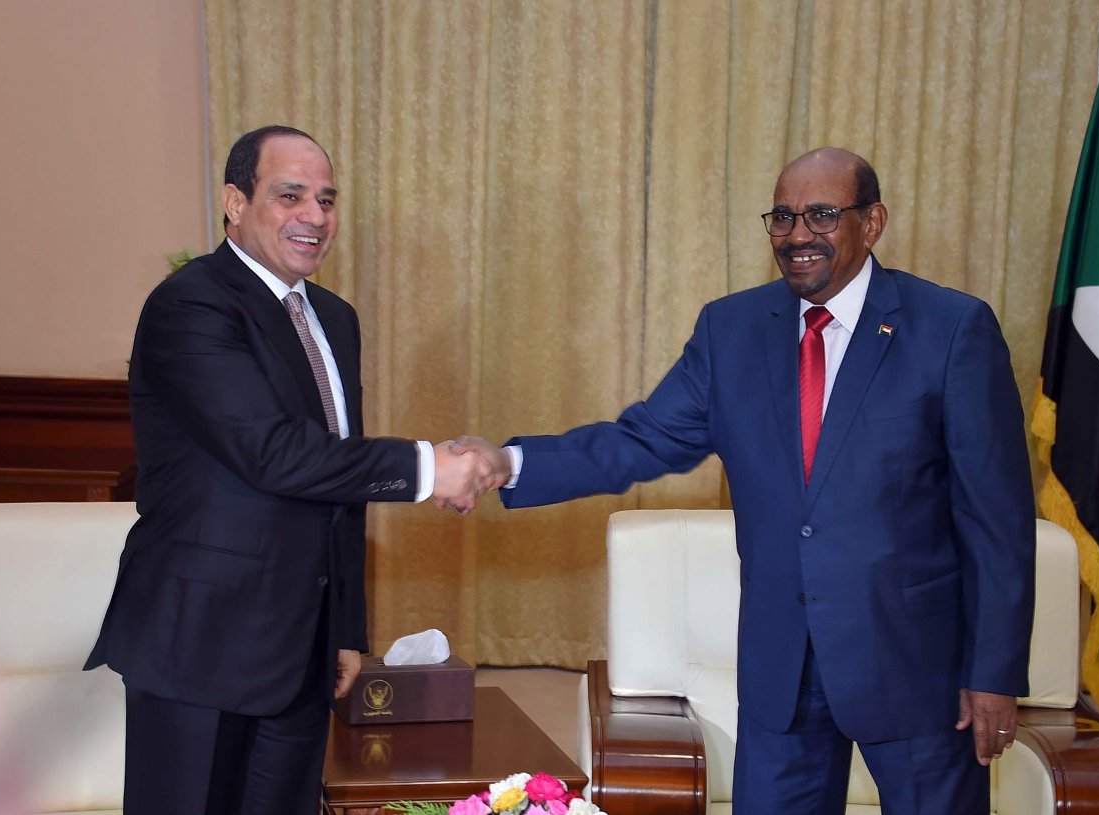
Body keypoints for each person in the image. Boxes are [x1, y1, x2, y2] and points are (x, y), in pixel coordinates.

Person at [456, 148, 1036, 814]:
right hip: (780, 670)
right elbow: (641, 438)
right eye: (782, 217)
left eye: (822, 214)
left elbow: (998, 520)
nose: (797, 235)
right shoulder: (730, 330)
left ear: (871, 223)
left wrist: (993, 674)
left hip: (916, 668)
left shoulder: (951, 329)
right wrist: (508, 463)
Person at [85, 125, 499, 815]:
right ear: (234, 201)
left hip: (300, 649)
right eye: (290, 196)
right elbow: (273, 452)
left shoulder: (333, 318)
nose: (315, 216)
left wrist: (343, 628)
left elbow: (337, 482)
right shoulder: (191, 304)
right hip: (200, 646)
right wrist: (431, 467)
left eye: (327, 199)